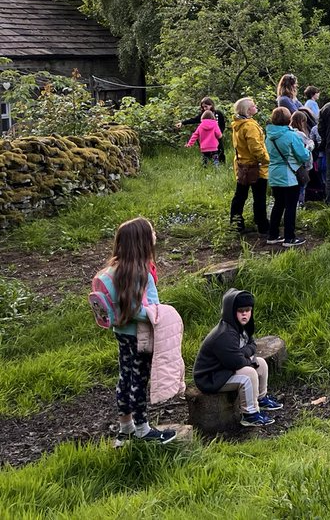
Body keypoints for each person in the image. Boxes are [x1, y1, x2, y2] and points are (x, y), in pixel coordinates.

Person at [92, 217, 177, 443]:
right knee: (138, 381)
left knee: (125, 378)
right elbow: (136, 310)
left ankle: (125, 427)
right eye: (152, 233)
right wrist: (157, 313)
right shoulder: (139, 272)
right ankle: (142, 429)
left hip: (121, 335)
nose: (155, 236)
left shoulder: (114, 269)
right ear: (142, 241)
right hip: (139, 336)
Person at [192, 288, 281, 428]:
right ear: (231, 312)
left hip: (225, 369)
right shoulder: (224, 334)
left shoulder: (243, 327)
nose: (245, 314)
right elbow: (236, 362)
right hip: (211, 377)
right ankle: (249, 414)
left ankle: (261, 398)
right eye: (240, 311)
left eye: (248, 310)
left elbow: (253, 345)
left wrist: (244, 353)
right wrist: (248, 358)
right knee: (248, 374)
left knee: (261, 363)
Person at [264, 107, 310, 247]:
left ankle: (273, 235)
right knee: (290, 206)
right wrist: (308, 148)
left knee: (278, 204)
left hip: (274, 173)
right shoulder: (292, 136)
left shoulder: (269, 136)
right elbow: (303, 156)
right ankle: (289, 238)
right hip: (289, 175)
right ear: (288, 119)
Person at [230, 97, 270, 235]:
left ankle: (236, 224)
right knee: (259, 197)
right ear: (247, 110)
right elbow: (255, 147)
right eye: (253, 105)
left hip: (242, 165)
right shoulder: (249, 126)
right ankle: (263, 226)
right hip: (255, 166)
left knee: (240, 195)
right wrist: (266, 159)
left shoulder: (238, 124)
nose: (255, 107)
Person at [177, 97, 228, 164]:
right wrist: (182, 123)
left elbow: (222, 124)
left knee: (220, 150)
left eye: (206, 106)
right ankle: (208, 164)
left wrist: (220, 133)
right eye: (203, 107)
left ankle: (222, 163)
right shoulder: (203, 115)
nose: (205, 108)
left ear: (211, 105)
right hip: (207, 137)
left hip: (217, 135)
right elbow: (194, 120)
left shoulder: (218, 113)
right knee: (207, 151)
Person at [288, 108, 321, 206]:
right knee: (302, 185)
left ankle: (294, 203)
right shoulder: (300, 134)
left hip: (291, 165)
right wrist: (309, 147)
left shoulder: (288, 132)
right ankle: (300, 203)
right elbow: (308, 146)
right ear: (302, 122)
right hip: (302, 165)